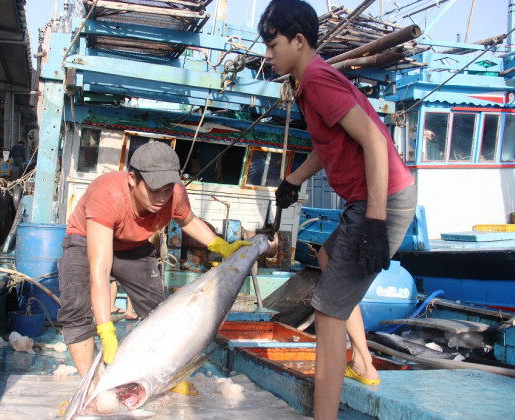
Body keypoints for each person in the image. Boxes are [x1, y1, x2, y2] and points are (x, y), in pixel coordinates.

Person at [258, 1, 417, 418]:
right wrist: (294, 179)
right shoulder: (307, 83)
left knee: (327, 315)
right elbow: (329, 145)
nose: (268, 54)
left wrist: (376, 222)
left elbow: (376, 143)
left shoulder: (319, 81)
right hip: (367, 201)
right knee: (327, 258)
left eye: (273, 45)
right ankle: (363, 362)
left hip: (382, 200)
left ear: (298, 40)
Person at [57, 141, 250, 388]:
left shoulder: (175, 194)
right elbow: (100, 270)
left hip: (133, 245)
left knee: (160, 311)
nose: (162, 198)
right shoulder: (107, 194)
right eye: (155, 189)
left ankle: (165, 375)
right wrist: (105, 329)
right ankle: (92, 388)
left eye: (167, 189)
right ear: (132, 179)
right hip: (87, 241)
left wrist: (222, 246)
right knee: (75, 309)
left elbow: (189, 221)